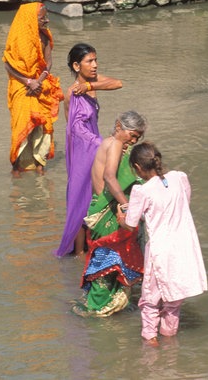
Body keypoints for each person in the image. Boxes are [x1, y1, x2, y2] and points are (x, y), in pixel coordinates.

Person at [117, 142, 208, 346]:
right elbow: (184, 203)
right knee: (173, 300)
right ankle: (169, 341)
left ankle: (150, 340)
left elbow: (131, 225)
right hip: (184, 246)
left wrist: (121, 217)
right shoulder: (179, 177)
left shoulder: (142, 191)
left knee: (150, 299)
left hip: (160, 250)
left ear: (138, 168)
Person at [72, 111, 147, 317]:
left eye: (136, 139)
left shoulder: (109, 144)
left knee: (109, 259)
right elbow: (110, 177)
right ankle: (98, 308)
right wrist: (126, 205)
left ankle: (103, 305)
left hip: (102, 207)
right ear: (118, 127)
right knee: (109, 258)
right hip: (108, 209)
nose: (132, 141)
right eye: (131, 136)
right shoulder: (114, 144)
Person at [54, 43, 123, 257]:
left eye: (95, 60)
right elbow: (76, 129)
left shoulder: (92, 83)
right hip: (83, 148)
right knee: (79, 198)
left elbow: (118, 83)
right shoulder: (72, 93)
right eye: (89, 61)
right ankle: (80, 253)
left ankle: (95, 245)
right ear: (76, 66)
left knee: (95, 195)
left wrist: (91, 87)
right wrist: (101, 145)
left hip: (93, 143)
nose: (94, 65)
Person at [2, 2, 63, 177]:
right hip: (22, 87)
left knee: (43, 126)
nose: (47, 21)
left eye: (46, 17)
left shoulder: (44, 36)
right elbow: (8, 64)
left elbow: (48, 62)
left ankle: (40, 165)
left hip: (39, 84)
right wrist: (28, 81)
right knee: (22, 126)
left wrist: (39, 80)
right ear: (30, 20)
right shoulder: (18, 38)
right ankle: (16, 168)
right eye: (42, 18)